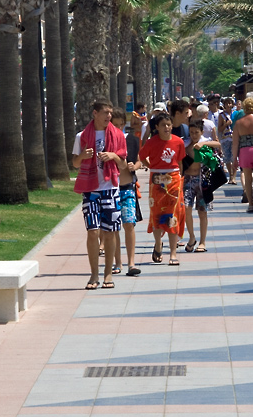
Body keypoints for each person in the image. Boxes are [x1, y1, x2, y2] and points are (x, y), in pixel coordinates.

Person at [73, 100, 128, 290]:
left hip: (110, 188)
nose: (109, 116)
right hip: (90, 190)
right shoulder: (82, 136)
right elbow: (75, 164)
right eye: (105, 112)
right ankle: (94, 274)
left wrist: (113, 156)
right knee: (92, 231)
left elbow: (123, 165)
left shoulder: (118, 135)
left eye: (110, 113)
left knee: (111, 231)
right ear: (95, 113)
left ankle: (108, 274)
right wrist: (83, 157)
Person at [139, 112, 186, 266]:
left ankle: (173, 253)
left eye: (169, 124)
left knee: (172, 216)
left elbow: (179, 162)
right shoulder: (152, 142)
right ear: (157, 127)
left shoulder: (178, 142)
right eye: (163, 125)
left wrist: (180, 178)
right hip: (156, 181)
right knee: (157, 215)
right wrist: (151, 167)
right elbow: (141, 156)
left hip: (173, 180)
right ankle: (158, 243)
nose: (166, 128)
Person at [111, 111, 143, 277]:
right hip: (111, 189)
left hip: (127, 187)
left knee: (129, 224)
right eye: (114, 124)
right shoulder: (107, 141)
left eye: (120, 124)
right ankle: (118, 262)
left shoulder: (131, 140)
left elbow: (139, 160)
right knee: (114, 227)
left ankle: (131, 263)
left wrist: (135, 167)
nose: (117, 127)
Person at [182, 120, 222, 253]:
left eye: (196, 132)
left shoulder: (205, 142)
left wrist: (202, 143)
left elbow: (217, 143)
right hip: (187, 180)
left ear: (201, 132)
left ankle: (202, 241)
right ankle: (192, 236)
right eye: (192, 132)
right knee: (186, 208)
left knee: (202, 211)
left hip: (202, 180)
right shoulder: (185, 143)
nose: (194, 135)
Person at [216, 97, 237, 186]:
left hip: (235, 138)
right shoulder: (221, 115)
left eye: (230, 103)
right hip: (225, 139)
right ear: (224, 105)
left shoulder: (235, 114)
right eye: (226, 103)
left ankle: (234, 177)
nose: (228, 105)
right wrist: (226, 124)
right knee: (227, 158)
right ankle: (231, 175)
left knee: (235, 157)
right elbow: (219, 129)